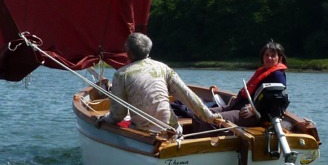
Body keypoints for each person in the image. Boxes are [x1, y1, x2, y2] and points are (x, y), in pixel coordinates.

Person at [97, 32, 229, 134]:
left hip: (143, 134)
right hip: (172, 131)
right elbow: (187, 95)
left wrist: (104, 119)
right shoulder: (163, 68)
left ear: (129, 52)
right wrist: (210, 117)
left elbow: (118, 115)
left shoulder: (121, 74)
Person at [215, 40, 288, 127]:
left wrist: (254, 109)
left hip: (253, 116)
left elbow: (277, 103)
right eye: (266, 55)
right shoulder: (263, 71)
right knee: (204, 113)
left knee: (213, 119)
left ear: (280, 58)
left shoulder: (277, 76)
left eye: (273, 56)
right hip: (238, 107)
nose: (269, 58)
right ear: (263, 57)